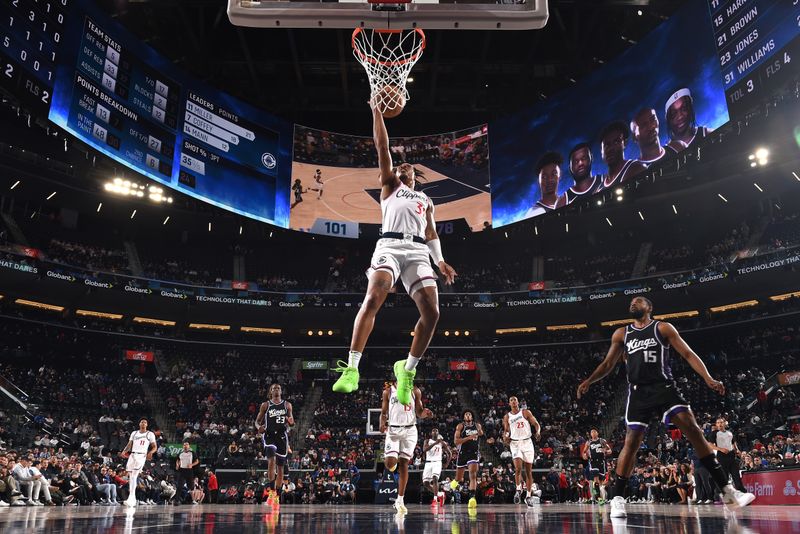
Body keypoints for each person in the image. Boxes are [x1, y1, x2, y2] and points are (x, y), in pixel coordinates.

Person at [576, 297, 756, 518]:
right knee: (631, 443)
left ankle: (728, 493)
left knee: (694, 430)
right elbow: (607, 364)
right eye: (631, 302)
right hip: (638, 392)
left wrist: (708, 378)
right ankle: (617, 499)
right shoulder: (622, 333)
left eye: (638, 301)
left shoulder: (662, 327)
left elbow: (688, 354)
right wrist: (589, 381)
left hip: (664, 388)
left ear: (649, 307)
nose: (633, 303)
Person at [331, 103, 458, 406]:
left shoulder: (426, 200)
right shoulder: (390, 186)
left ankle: (407, 370)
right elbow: (382, 145)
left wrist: (439, 260)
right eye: (399, 167)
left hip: (417, 251)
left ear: (415, 176)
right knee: (375, 296)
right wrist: (376, 110)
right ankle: (352, 368)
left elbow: (430, 234)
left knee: (433, 312)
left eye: (407, 168)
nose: (402, 168)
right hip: (388, 245)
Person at [380, 380, 433, 514]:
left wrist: (425, 414)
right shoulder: (388, 391)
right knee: (389, 463)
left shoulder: (415, 391)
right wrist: (382, 423)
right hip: (393, 430)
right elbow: (384, 412)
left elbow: (419, 412)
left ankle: (400, 500)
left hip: (410, 430)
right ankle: (392, 459)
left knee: (404, 463)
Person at [255, 383, 295, 505]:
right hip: (269, 435)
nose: (276, 389)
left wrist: (291, 422)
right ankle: (272, 491)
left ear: (281, 391)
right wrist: (258, 427)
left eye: (278, 388)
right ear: (270, 392)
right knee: (271, 460)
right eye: (274, 388)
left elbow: (292, 422)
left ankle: (276, 494)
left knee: (281, 467)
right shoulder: (265, 405)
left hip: (282, 437)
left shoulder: (287, 405)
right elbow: (257, 421)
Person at [502, 396, 541, 507]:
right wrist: (505, 437)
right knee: (518, 468)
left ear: (518, 402)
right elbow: (506, 431)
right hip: (515, 443)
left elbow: (536, 424)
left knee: (528, 472)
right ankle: (518, 490)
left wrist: (538, 432)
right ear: (509, 404)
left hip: (527, 442)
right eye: (511, 400)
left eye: (515, 400)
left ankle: (528, 496)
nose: (513, 401)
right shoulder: (507, 417)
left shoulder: (525, 412)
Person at [595, 121, 647, 192]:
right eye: (607, 145)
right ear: (601, 150)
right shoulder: (599, 189)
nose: (611, 148)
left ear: (624, 143)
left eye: (616, 142)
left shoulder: (636, 169)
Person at [120, 418, 157, 507]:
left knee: (134, 475)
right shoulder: (134, 433)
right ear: (139, 424)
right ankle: (132, 498)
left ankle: (131, 498)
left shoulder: (150, 434)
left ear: (147, 425)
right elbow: (130, 444)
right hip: (132, 455)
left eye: (145, 422)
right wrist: (124, 451)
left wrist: (151, 452)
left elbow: (155, 447)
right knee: (131, 476)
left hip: (141, 455)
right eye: (142, 422)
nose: (143, 423)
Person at [450, 410, 484, 510]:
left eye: (469, 414)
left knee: (473, 475)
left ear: (472, 416)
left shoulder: (477, 425)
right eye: (466, 414)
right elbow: (456, 441)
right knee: (459, 478)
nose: (468, 415)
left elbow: (481, 434)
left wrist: (485, 437)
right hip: (463, 453)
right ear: (464, 417)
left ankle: (472, 498)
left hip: (473, 453)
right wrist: (469, 438)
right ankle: (454, 483)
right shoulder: (460, 426)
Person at [523, 151, 566, 219]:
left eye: (553, 174)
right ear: (538, 180)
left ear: (560, 175)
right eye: (544, 177)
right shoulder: (535, 213)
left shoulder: (566, 202)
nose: (549, 180)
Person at [710, 417, 745, 492]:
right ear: (716, 424)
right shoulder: (714, 433)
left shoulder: (730, 432)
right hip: (722, 456)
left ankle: (742, 493)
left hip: (732, 455)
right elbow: (710, 445)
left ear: (724, 423)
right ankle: (721, 496)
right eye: (718, 423)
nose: (720, 424)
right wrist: (720, 449)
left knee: (736, 476)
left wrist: (737, 450)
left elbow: (733, 442)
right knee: (724, 478)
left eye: (721, 422)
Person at [422, 428, 451, 507]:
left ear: (438, 433)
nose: (435, 432)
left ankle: (435, 499)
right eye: (433, 430)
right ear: (431, 433)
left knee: (435, 478)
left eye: (436, 431)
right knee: (426, 483)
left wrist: (447, 463)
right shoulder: (427, 441)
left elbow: (449, 453)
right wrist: (435, 443)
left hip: (437, 462)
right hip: (428, 463)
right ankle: (440, 494)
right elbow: (424, 449)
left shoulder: (442, 442)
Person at [582, 428, 612, 504]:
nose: (593, 433)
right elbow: (584, 452)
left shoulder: (602, 441)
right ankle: (599, 499)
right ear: (590, 434)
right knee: (596, 480)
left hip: (602, 462)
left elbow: (610, 450)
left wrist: (606, 451)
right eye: (592, 432)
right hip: (593, 462)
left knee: (601, 482)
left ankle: (601, 497)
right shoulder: (588, 442)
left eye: (595, 432)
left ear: (597, 433)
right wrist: (584, 455)